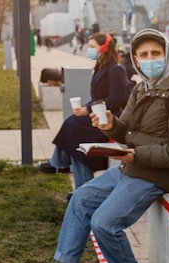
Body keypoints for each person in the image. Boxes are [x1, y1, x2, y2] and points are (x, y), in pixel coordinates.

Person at [28, 28, 169, 263]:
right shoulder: (141, 88)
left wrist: (136, 155)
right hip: (133, 166)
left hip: (159, 174)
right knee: (81, 197)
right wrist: (113, 125)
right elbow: (129, 131)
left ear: (167, 55)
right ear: (135, 59)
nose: (150, 60)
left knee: (104, 222)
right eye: (143, 55)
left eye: (155, 54)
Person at [38, 32, 131, 189]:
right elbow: (98, 97)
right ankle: (76, 184)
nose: (90, 50)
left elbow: (115, 99)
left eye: (92, 47)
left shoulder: (116, 69)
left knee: (72, 126)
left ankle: (59, 163)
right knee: (75, 141)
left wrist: (87, 109)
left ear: (104, 48)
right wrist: (85, 108)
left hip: (110, 118)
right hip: (98, 114)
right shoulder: (101, 66)